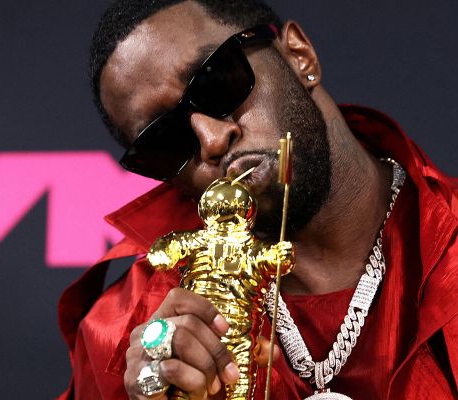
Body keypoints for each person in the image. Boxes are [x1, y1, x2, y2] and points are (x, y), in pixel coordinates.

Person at [58, 0, 458, 399]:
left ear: (299, 56)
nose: (212, 140)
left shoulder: (447, 238)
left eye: (217, 83)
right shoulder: (121, 334)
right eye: (165, 140)